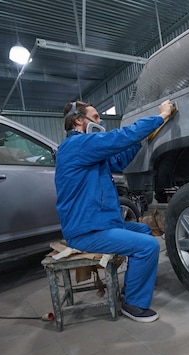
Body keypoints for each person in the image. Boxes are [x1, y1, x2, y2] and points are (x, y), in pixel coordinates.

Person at [55, 99, 175, 323]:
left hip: (101, 223)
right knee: (148, 246)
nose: (100, 121)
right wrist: (160, 117)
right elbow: (118, 138)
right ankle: (134, 305)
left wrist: (141, 140)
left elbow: (118, 159)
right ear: (80, 120)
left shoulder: (87, 151)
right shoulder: (77, 145)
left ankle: (133, 286)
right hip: (87, 231)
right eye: (96, 117)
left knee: (143, 231)